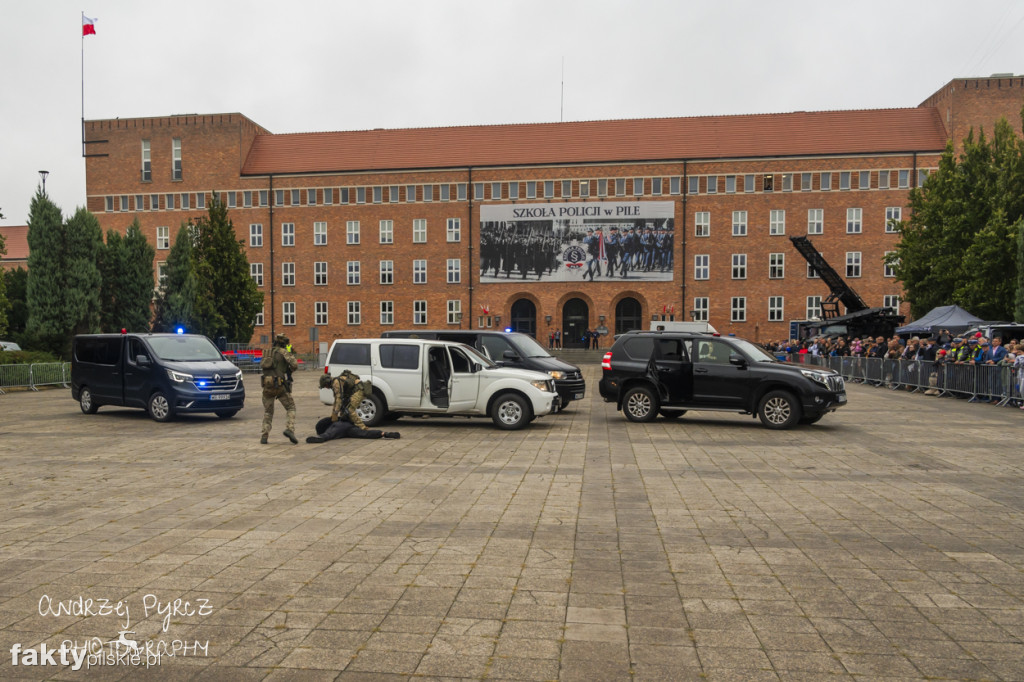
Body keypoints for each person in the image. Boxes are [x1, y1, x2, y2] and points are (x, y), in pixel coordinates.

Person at [307, 374, 399, 442]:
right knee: (345, 410)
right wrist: (334, 415)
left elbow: (338, 400)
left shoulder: (335, 383)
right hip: (346, 422)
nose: (326, 388)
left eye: (325, 386)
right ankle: (367, 430)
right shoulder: (346, 428)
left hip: (360, 390)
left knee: (350, 409)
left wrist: (334, 415)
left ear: (327, 383)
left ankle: (363, 427)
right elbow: (336, 401)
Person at [260, 333, 298, 444]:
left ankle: (264, 435)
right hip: (280, 386)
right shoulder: (284, 352)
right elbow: (295, 365)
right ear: (284, 344)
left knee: (268, 412)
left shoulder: (267, 352)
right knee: (291, 407)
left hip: (267, 386)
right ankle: (290, 429)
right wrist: (287, 369)